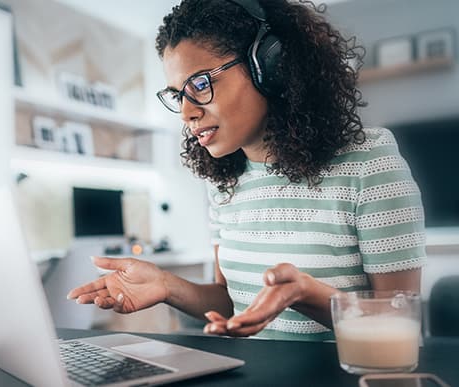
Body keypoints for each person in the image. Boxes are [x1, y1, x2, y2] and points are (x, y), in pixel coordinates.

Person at [67, 0, 426, 341]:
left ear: (270, 66)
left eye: (201, 84)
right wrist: (167, 286)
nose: (186, 112)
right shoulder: (225, 182)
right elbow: (231, 302)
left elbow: (399, 324)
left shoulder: (368, 163)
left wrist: (306, 295)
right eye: (178, 95)